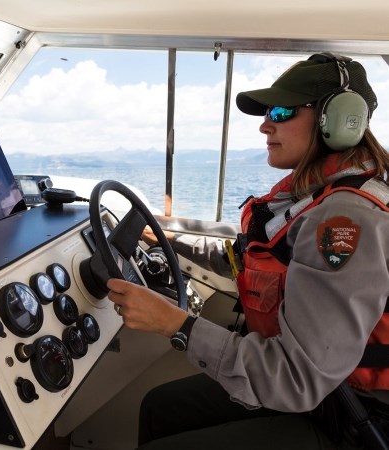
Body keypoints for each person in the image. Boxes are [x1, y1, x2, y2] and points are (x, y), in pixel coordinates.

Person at [107, 52, 389, 449]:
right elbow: (248, 256)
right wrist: (171, 241)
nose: (264, 125)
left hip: (353, 416)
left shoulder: (344, 217)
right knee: (160, 407)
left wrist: (175, 324)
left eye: (281, 110)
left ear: (340, 118)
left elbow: (296, 379)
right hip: (323, 389)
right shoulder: (309, 195)